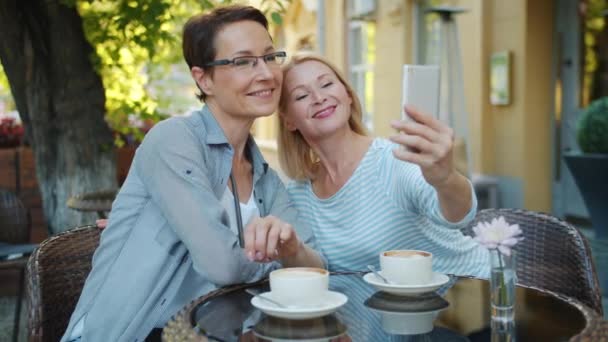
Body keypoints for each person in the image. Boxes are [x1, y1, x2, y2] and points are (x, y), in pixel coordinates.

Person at [62, 7, 324, 342]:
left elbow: (316, 269)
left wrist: (289, 248)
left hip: (207, 332)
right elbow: (224, 266)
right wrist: (275, 261)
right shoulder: (173, 139)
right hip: (134, 332)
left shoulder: (264, 176)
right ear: (203, 79)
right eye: (243, 61)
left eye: (270, 56)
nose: (266, 73)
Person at [277, 53, 488, 277]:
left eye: (327, 84)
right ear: (289, 120)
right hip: (394, 308)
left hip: (471, 294)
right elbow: (315, 270)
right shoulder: (297, 194)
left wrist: (446, 179)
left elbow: (458, 215)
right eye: (301, 96)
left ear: (348, 95)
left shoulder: (393, 160)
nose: (319, 97)